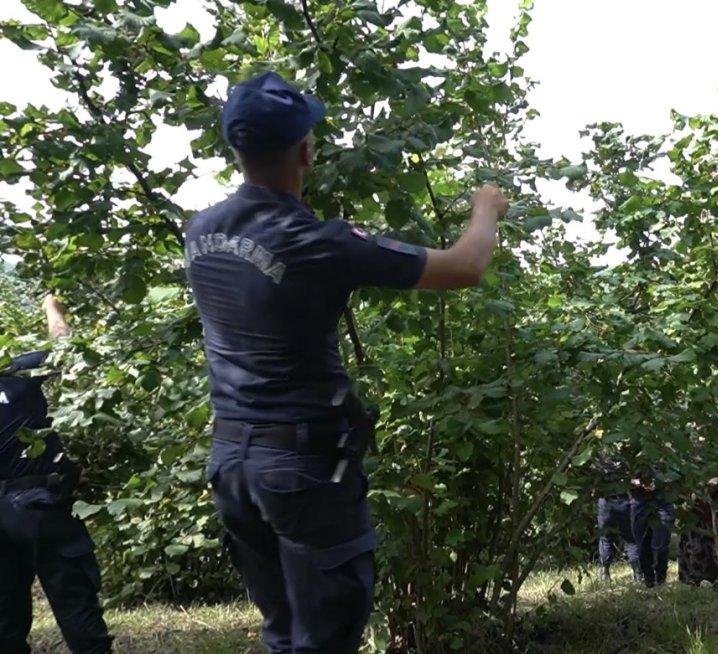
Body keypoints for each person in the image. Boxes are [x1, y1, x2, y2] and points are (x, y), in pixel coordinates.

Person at [185, 71, 506, 653]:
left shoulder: (201, 230)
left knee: (284, 631)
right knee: (327, 632)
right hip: (301, 467)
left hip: (232, 460)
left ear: (237, 148)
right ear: (307, 151)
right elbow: (465, 266)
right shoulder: (316, 241)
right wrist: (485, 208)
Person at [0, 295, 113, 654]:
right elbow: (67, 349)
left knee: (4, 617)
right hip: (40, 507)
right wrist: (53, 308)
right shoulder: (19, 373)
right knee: (75, 601)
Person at [595, 456, 640, 582]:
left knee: (605, 537)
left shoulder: (599, 459)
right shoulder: (627, 458)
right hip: (624, 501)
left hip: (606, 502)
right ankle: (637, 574)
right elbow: (635, 480)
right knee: (630, 538)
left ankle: (604, 573)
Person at [629, 475, 674, 588]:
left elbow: (676, 473)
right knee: (641, 543)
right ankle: (648, 579)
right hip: (639, 499)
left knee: (661, 545)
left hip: (663, 500)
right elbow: (622, 478)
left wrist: (661, 481)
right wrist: (639, 483)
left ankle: (660, 579)